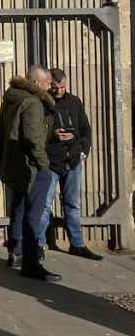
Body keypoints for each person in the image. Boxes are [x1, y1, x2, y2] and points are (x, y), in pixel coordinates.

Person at [0, 65, 61, 281]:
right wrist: (44, 165)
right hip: (30, 167)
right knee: (34, 214)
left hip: (13, 163)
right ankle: (31, 263)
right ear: (37, 83)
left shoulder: (13, 98)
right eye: (48, 83)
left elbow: (0, 132)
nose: (50, 87)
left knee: (19, 208)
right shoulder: (33, 102)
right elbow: (33, 139)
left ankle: (16, 251)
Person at [44, 68, 102, 261]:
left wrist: (83, 151)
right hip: (51, 160)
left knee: (73, 204)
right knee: (44, 204)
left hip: (73, 159)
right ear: (49, 85)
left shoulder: (74, 102)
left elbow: (86, 129)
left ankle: (77, 244)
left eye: (63, 87)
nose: (59, 91)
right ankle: (38, 245)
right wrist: (53, 135)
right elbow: (37, 133)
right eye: (55, 87)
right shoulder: (43, 102)